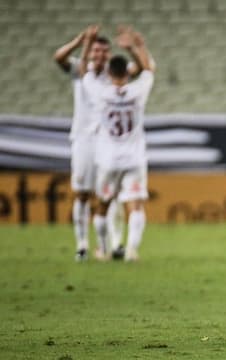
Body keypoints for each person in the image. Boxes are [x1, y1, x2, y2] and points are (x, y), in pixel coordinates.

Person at [82, 26, 155, 262]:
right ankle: (132, 249)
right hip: (134, 158)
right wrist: (136, 46)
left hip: (108, 159)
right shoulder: (137, 90)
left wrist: (87, 45)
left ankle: (103, 248)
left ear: (110, 73)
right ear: (127, 72)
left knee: (103, 205)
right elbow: (148, 69)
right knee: (134, 204)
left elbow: (85, 73)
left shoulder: (101, 93)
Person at [53, 25, 125, 261]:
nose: (100, 55)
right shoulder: (78, 69)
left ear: (109, 54)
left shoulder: (113, 75)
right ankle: (82, 244)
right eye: (96, 51)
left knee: (109, 194)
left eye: (104, 52)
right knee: (82, 194)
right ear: (90, 51)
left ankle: (112, 244)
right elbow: (58, 57)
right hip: (83, 139)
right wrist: (79, 40)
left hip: (107, 141)